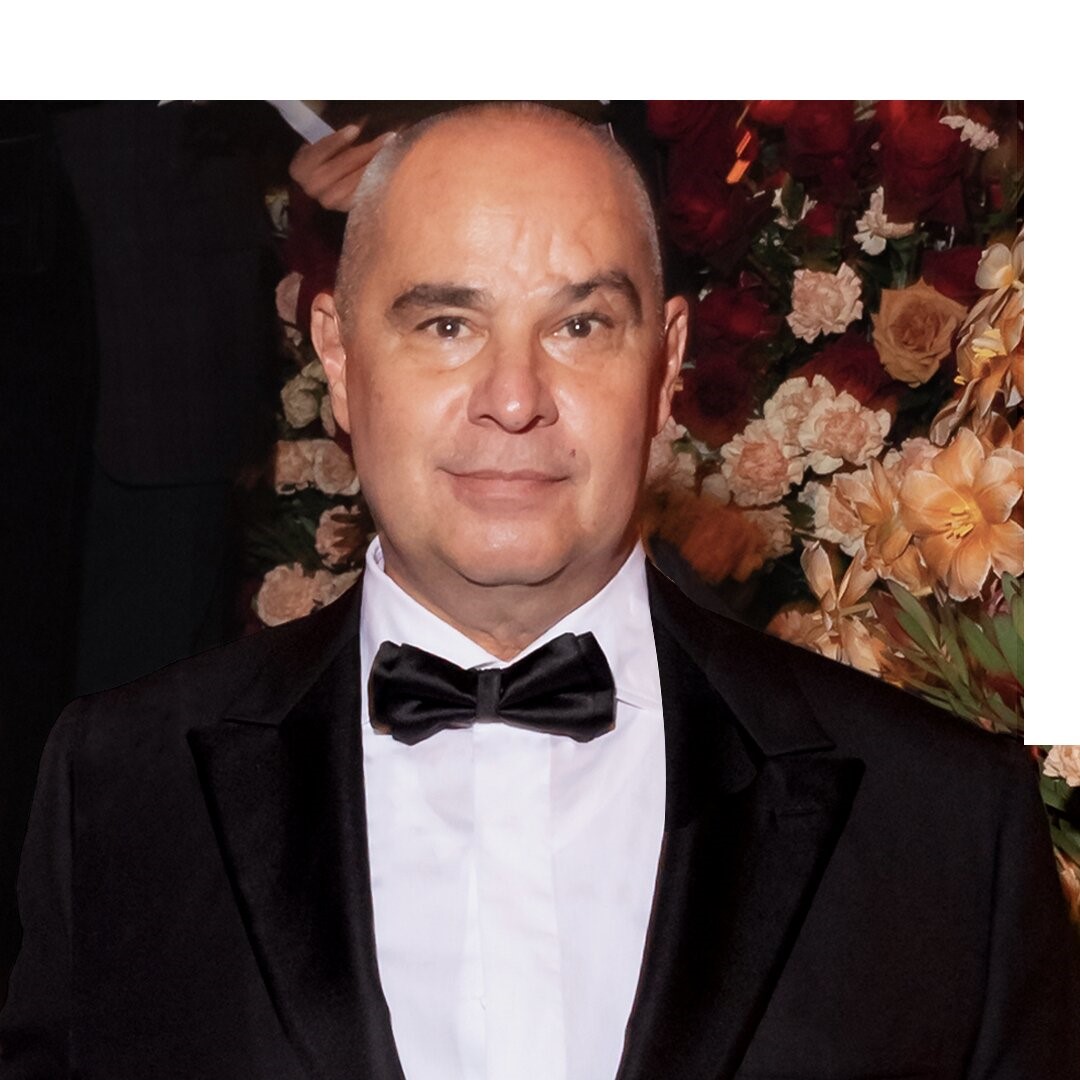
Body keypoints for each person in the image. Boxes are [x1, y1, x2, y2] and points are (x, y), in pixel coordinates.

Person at [0, 102, 1075, 1080]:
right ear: (338, 355)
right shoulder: (117, 792)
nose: (513, 399)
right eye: (446, 325)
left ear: (667, 367)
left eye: (580, 326)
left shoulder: (942, 823)